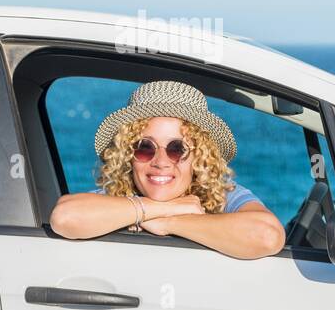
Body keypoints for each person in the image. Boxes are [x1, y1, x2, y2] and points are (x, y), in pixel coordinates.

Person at [48, 80, 285, 259]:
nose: (161, 161)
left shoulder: (224, 196)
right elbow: (65, 217)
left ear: (199, 157)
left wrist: (169, 223)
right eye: (144, 147)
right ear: (127, 155)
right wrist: (163, 207)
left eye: (176, 148)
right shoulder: (116, 198)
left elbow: (267, 235)